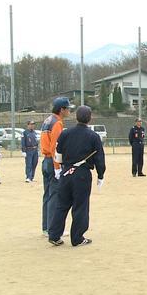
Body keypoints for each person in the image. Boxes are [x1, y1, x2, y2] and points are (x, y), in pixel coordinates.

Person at [48, 105, 105, 246]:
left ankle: (54, 235)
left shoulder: (65, 134)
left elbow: (58, 156)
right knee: (80, 206)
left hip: (66, 172)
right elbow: (99, 158)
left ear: (76, 117)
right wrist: (100, 175)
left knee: (61, 205)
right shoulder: (93, 136)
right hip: (82, 174)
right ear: (90, 118)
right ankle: (77, 237)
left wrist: (61, 168)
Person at [40, 97, 74, 237]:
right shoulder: (57, 123)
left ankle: (46, 226)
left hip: (46, 160)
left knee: (47, 195)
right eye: (68, 108)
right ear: (62, 109)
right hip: (53, 161)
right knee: (55, 196)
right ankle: (52, 229)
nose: (69, 111)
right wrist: (57, 167)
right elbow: (55, 146)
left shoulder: (47, 120)